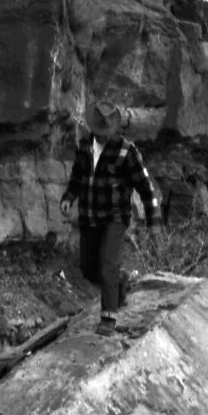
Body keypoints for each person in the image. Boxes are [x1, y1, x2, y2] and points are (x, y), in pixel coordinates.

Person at [64, 117, 161, 322]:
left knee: (108, 263)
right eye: (99, 130)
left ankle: (108, 317)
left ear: (114, 129)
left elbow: (146, 188)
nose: (102, 135)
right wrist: (69, 197)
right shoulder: (85, 146)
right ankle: (120, 280)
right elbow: (77, 176)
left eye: (106, 130)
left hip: (116, 217)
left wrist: (153, 222)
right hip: (89, 215)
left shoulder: (127, 151)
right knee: (88, 269)